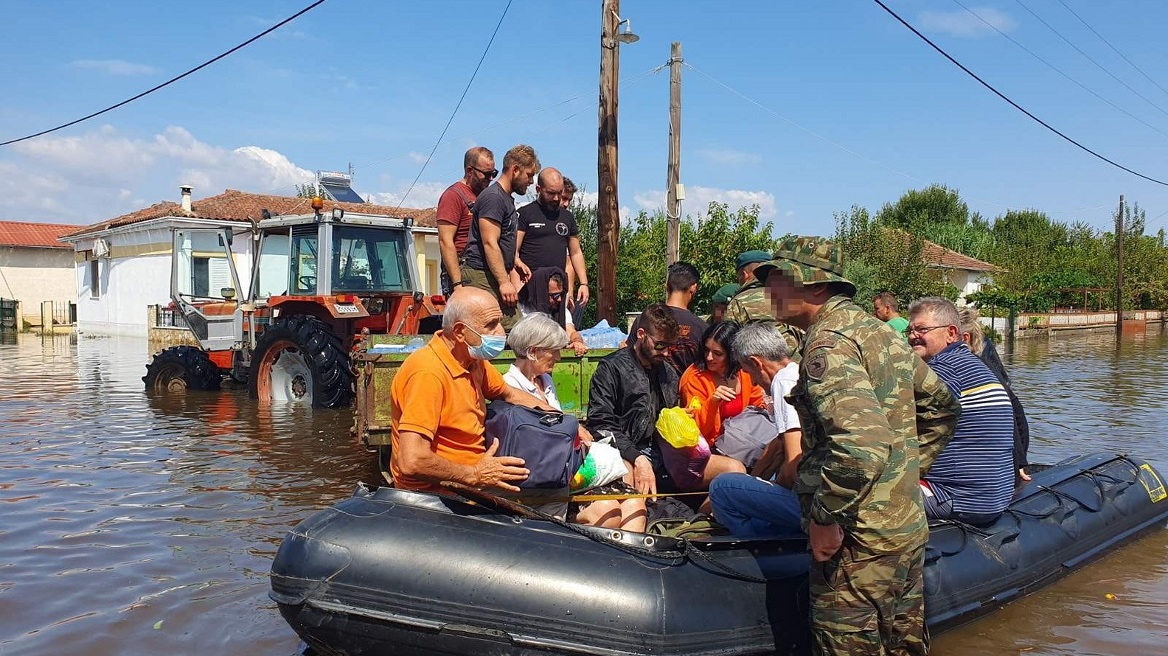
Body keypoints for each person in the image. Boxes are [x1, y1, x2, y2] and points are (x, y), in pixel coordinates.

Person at [757, 236, 960, 656]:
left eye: (777, 278)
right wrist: (906, 471)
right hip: (903, 527)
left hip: (858, 540)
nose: (768, 290)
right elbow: (941, 404)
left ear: (814, 286)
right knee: (903, 645)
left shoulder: (828, 344)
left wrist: (827, 515)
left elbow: (861, 446)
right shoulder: (879, 333)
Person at [389, 287, 544, 493]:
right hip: (437, 497)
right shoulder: (428, 373)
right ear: (460, 332)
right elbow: (412, 460)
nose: (501, 333)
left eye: (499, 322)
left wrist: (561, 419)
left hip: (475, 482)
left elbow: (509, 393)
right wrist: (476, 474)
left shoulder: (472, 360)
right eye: (491, 325)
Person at [504, 313, 646, 531]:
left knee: (635, 502)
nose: (559, 357)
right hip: (542, 487)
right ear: (532, 352)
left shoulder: (546, 380)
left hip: (567, 475)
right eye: (554, 351)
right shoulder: (509, 385)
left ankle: (631, 563)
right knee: (607, 510)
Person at [905, 297, 1015, 526]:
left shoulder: (942, 371)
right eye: (910, 329)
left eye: (922, 329)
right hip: (995, 498)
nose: (913, 335)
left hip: (959, 499)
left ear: (951, 333)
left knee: (863, 496)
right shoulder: (972, 365)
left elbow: (897, 425)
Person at [706, 322, 805, 539]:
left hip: (811, 505)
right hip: (819, 496)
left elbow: (793, 461)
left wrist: (769, 495)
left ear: (755, 363)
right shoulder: (797, 371)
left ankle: (757, 545)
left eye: (748, 371)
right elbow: (778, 446)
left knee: (721, 487)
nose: (751, 379)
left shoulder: (783, 383)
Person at [586, 303, 680, 496]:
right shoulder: (611, 368)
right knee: (631, 483)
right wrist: (636, 457)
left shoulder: (669, 373)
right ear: (641, 334)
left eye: (670, 346)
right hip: (624, 452)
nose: (666, 353)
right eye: (660, 345)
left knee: (729, 467)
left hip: (664, 452)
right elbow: (600, 423)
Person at [461, 144, 540, 330]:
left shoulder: (505, 198)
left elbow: (500, 238)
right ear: (515, 170)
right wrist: (505, 282)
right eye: (529, 175)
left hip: (491, 273)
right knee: (509, 330)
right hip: (481, 274)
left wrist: (515, 260)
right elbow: (489, 242)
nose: (530, 181)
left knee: (515, 331)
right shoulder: (494, 198)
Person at [958, 306, 1030, 482]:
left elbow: (1014, 414)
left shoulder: (977, 372)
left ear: (963, 338)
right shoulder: (981, 362)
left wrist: (1018, 463)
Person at [515, 167, 590, 312]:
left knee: (565, 333)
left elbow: (575, 253)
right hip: (529, 293)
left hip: (556, 295)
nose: (556, 198)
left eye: (559, 193)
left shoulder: (567, 217)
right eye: (550, 193)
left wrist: (584, 284)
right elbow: (513, 252)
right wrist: (515, 286)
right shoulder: (524, 214)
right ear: (538, 189)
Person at [678, 321, 765, 446]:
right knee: (735, 466)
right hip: (706, 447)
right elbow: (696, 429)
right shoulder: (694, 377)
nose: (709, 357)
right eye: (706, 350)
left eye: (717, 353)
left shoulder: (743, 371)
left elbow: (758, 404)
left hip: (741, 441)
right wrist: (713, 402)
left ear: (733, 354)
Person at [629, 262, 708, 373]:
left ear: (666, 285)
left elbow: (629, 358)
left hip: (646, 387)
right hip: (687, 389)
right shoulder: (702, 328)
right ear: (693, 288)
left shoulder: (645, 319)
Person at [436, 146, 495, 296]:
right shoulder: (453, 196)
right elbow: (445, 241)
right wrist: (457, 284)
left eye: (493, 173)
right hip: (464, 274)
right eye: (486, 174)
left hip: (484, 271)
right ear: (470, 171)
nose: (490, 179)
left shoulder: (486, 196)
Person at [725, 249, 804, 355]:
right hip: (797, 364)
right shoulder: (788, 295)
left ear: (744, 274)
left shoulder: (738, 302)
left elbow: (728, 342)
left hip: (761, 366)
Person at [517, 266, 588, 355]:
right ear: (540, 293)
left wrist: (577, 341)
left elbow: (571, 332)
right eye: (554, 295)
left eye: (560, 294)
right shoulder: (521, 311)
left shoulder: (560, 311)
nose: (559, 299)